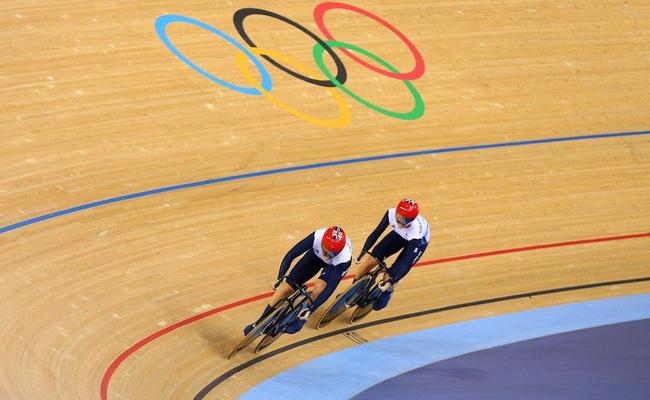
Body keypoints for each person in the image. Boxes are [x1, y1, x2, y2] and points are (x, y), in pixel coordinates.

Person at [244, 226, 352, 335]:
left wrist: (309, 310)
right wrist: (281, 278)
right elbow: (291, 254)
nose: (327, 254)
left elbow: (329, 291)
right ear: (322, 241)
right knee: (285, 287)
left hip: (334, 266)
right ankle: (259, 323)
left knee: (319, 289)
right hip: (315, 256)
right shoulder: (318, 236)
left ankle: (301, 320)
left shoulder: (343, 258)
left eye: (332, 253)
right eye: (326, 249)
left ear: (339, 251)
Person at [354, 198, 429, 311]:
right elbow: (376, 233)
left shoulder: (416, 233)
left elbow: (406, 263)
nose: (398, 222)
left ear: (411, 220)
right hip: (400, 235)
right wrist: (363, 251)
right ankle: (352, 292)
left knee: (391, 274)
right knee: (369, 262)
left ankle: (387, 294)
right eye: (398, 217)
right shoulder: (391, 213)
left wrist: (391, 282)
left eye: (403, 221)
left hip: (416, 243)